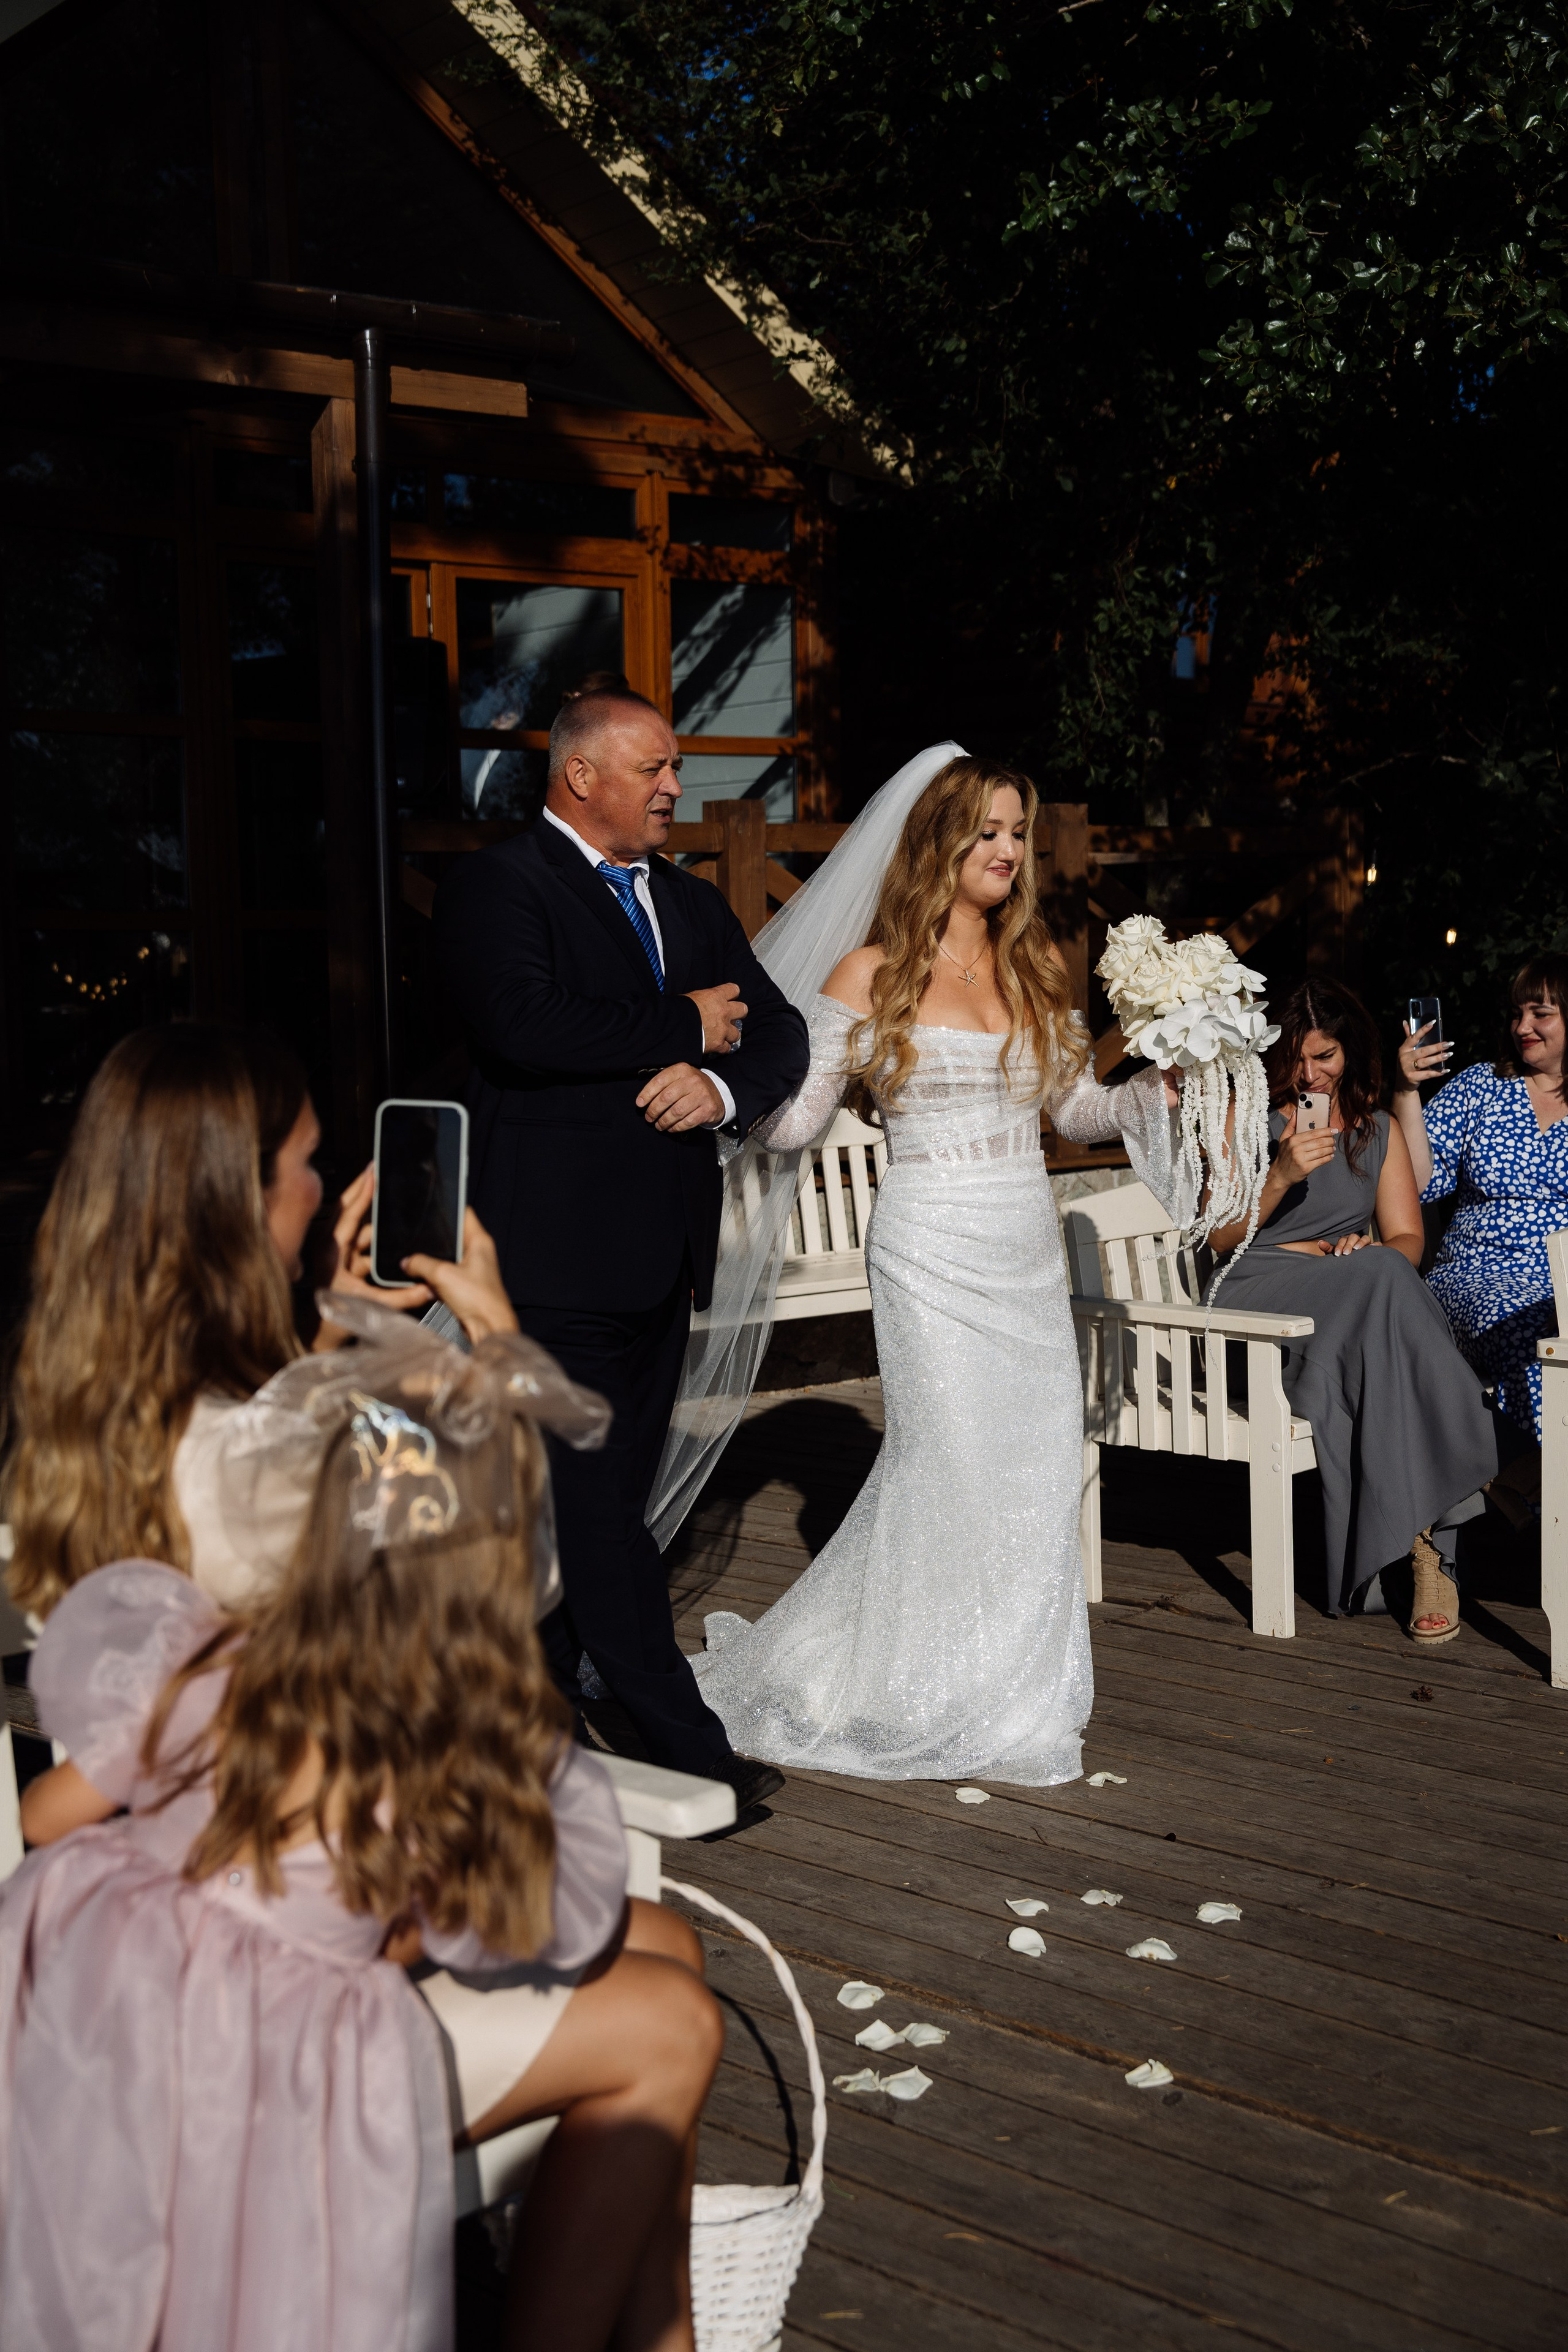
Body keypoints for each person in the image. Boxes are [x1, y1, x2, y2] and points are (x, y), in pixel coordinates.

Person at [0, 1319, 722, 2352]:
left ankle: (661, 2333)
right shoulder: (391, 1743)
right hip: (263, 2081)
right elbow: (420, 1938)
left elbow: (40, 1817)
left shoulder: (229, 1660)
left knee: (666, 1949)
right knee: (671, 2005)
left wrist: (180, 1851)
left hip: (124, 2025)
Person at [669, 748, 1186, 1786]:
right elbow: (800, 1118)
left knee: (1032, 1469)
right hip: (930, 1246)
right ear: (940, 844)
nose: (1005, 852)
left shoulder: (1034, 962)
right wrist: (719, 1087)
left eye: (1016, 835)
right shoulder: (870, 973)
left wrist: (1152, 1092)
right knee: (948, 1461)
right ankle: (923, 1686)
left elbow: (1075, 1112)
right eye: (986, 832)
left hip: (1024, 1252)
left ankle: (1016, 1690)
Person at [435, 685, 810, 1807]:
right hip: (547, 1262)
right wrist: (681, 1024)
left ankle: (539, 1728)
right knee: (599, 1507)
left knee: (590, 1500)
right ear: (580, 775)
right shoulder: (500, 885)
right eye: (652, 768)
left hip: (662, 1260)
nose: (672, 788)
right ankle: (683, 1748)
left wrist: (721, 1081)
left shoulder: (690, 903)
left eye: (674, 767)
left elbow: (780, 1029)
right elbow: (522, 1022)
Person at [2, 1023, 510, 1623]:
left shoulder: (73, 1407)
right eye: (309, 1160)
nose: (322, 1192)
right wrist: (497, 1338)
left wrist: (324, 1333)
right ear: (241, 1197)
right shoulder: (271, 1478)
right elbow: (480, 1599)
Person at [1208, 978, 1496, 1638]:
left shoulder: (1376, 1129)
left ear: (1350, 1054)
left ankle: (1425, 1547)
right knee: (1383, 1285)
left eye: (1325, 1056)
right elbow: (1219, 1239)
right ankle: (1473, 1482)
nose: (1308, 1073)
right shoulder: (1243, 1117)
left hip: (1350, 1296)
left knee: (1384, 1273)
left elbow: (1408, 1242)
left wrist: (1368, 1245)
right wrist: (1278, 1175)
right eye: (1296, 1057)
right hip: (1256, 1293)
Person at [1393, 952, 1568, 1533]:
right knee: (1532, 1330)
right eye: (1518, 1013)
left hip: (1560, 1278)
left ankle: (1522, 1482)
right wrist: (1406, 1092)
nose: (1523, 1027)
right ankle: (1537, 1483)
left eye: (1540, 1012)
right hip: (1475, 1274)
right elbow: (1416, 1183)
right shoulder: (1482, 1086)